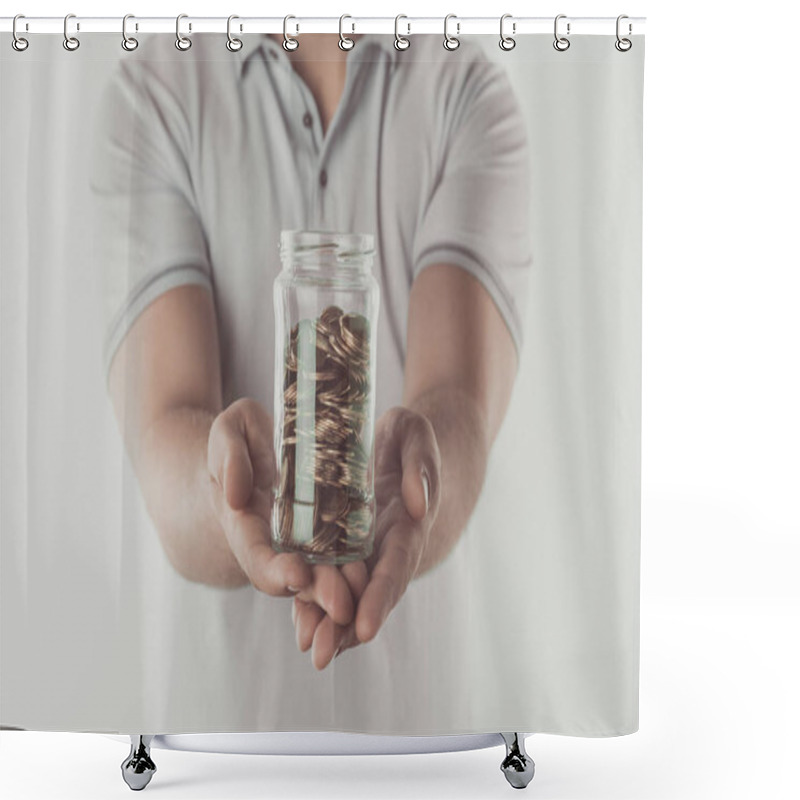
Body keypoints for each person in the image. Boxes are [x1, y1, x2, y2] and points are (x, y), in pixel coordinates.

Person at [91, 31, 532, 675]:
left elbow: (458, 401)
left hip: (423, 698)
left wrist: (419, 485)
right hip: (223, 704)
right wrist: (230, 494)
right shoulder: (153, 90)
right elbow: (165, 426)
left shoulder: (465, 86)